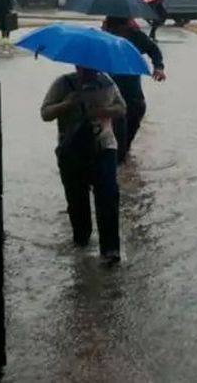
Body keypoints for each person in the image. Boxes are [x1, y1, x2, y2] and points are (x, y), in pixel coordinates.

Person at [41, 65, 126, 263]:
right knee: (76, 198)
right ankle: (81, 241)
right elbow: (45, 113)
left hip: (103, 146)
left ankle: (110, 250)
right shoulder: (63, 83)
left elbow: (122, 108)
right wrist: (68, 104)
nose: (90, 72)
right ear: (77, 66)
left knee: (108, 195)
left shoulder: (107, 82)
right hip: (71, 149)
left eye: (94, 69)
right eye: (85, 69)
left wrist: (103, 111)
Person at [101, 16, 166, 164]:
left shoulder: (135, 37)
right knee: (116, 146)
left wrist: (159, 67)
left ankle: (123, 170)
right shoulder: (103, 39)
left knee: (125, 143)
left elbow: (154, 50)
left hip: (133, 97)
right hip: (110, 99)